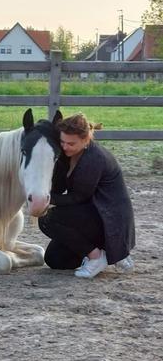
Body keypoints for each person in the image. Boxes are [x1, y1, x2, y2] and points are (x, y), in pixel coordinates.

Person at [38, 113, 136, 278]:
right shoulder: (67, 155)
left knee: (48, 218)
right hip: (93, 211)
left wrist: (46, 200)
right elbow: (58, 187)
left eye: (71, 143)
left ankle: (97, 256)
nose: (65, 146)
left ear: (86, 140)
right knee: (55, 260)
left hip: (110, 219)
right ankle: (106, 251)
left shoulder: (94, 159)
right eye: (62, 142)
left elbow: (78, 197)